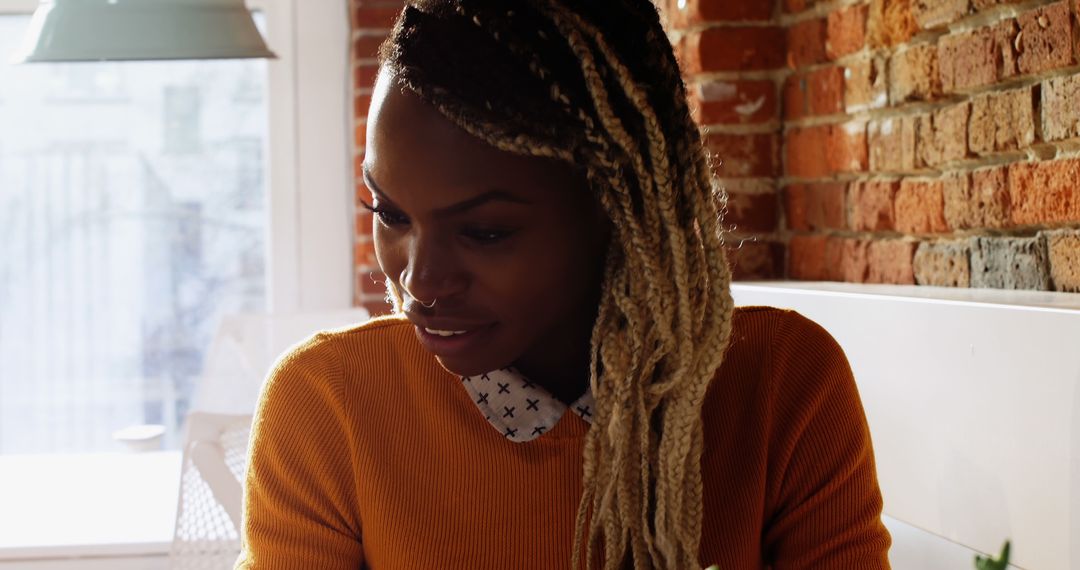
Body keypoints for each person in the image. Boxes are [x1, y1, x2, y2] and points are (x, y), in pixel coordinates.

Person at [234, 0, 892, 568]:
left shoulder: (782, 387)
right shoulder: (326, 407)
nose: (420, 279)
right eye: (391, 213)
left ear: (617, 207)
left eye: (485, 231)